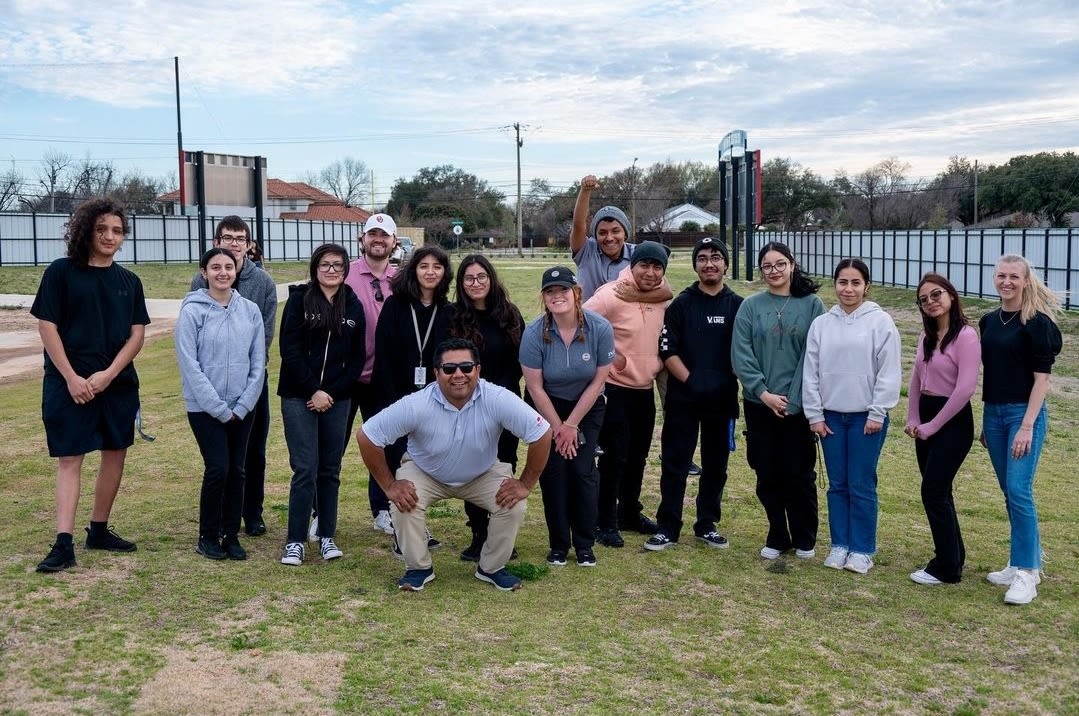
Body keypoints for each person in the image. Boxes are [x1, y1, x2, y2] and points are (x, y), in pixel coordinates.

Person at [357, 337, 552, 592]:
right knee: (403, 501)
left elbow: (541, 433)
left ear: (478, 370)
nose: (458, 374)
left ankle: (491, 568)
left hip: (482, 473)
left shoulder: (497, 397)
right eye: (449, 369)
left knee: (514, 504)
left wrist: (525, 484)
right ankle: (418, 568)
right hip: (426, 472)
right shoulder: (417, 404)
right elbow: (367, 436)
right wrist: (390, 486)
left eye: (466, 367)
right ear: (436, 373)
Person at [32, 198, 150, 573]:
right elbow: (47, 326)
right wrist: (71, 377)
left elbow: (136, 335)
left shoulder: (129, 281)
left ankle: (98, 529)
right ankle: (63, 542)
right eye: (102, 229)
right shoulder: (61, 272)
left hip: (115, 384)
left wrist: (108, 375)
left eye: (116, 230)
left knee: (116, 452)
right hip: (70, 384)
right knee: (71, 458)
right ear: (86, 230)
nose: (109, 236)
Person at [803, 258, 901, 575]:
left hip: (865, 418)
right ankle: (839, 544)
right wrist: (815, 414)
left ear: (866, 286)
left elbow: (888, 371)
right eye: (843, 282)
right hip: (831, 417)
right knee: (837, 484)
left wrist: (878, 410)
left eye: (855, 283)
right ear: (835, 285)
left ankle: (861, 549)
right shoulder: (822, 324)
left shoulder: (880, 322)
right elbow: (811, 372)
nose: (848, 289)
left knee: (861, 484)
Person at [646, 237, 743, 551]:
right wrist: (692, 381)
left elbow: (745, 354)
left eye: (716, 257)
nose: (709, 264)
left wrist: (718, 385)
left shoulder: (738, 306)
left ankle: (706, 523)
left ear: (726, 264)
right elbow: (667, 350)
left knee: (716, 465)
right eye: (702, 258)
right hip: (683, 399)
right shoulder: (682, 304)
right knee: (675, 463)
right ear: (696, 265)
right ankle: (668, 526)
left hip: (722, 400)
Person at [732, 242, 824, 561]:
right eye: (767, 266)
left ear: (792, 265)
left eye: (780, 264)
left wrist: (794, 400)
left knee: (799, 474)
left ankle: (804, 537)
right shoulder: (750, 306)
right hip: (760, 405)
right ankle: (777, 533)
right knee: (766, 472)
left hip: (799, 406)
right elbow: (741, 355)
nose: (774, 271)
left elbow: (813, 358)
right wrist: (764, 393)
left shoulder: (812, 305)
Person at [979, 254, 1062, 605]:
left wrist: (1027, 425)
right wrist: (986, 422)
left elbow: (1042, 380)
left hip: (1022, 416)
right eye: (1001, 276)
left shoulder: (1037, 323)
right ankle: (1022, 561)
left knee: (1019, 489)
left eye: (1014, 276)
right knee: (1008, 490)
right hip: (993, 414)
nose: (1007, 282)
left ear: (1026, 280)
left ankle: (1027, 574)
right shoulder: (988, 321)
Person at [520, 266, 614, 567]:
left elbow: (599, 381)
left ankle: (585, 544)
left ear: (577, 293)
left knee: (582, 471)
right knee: (554, 472)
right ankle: (559, 544)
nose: (557, 295)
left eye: (563, 289)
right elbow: (534, 387)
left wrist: (572, 425)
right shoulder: (535, 332)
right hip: (547, 406)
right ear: (543, 297)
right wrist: (558, 428)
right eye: (550, 291)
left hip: (586, 406)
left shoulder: (599, 328)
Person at [278, 244, 365, 566]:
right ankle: (295, 541)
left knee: (330, 470)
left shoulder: (352, 304)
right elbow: (290, 351)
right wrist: (313, 390)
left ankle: (326, 535)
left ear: (345, 269)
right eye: (325, 265)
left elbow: (357, 359)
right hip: (299, 396)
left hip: (337, 399)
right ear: (315, 268)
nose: (331, 270)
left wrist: (331, 392)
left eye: (338, 265)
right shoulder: (299, 300)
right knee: (305, 469)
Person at [176, 248, 266, 561]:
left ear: (236, 271)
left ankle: (231, 534)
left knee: (238, 470)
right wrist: (217, 407)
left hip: (242, 407)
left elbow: (258, 362)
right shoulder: (192, 311)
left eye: (229, 266)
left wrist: (242, 405)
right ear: (204, 272)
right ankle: (208, 536)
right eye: (216, 267)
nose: (223, 272)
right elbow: (190, 364)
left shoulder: (250, 310)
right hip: (205, 408)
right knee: (218, 468)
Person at [190, 216, 277, 538]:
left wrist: (249, 381)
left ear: (249, 245)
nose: (234, 244)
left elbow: (264, 337)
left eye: (240, 238)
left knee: (253, 451)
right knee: (220, 458)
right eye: (227, 238)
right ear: (217, 242)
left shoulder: (263, 284)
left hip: (252, 383)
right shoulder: (200, 282)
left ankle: (251, 512)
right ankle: (222, 515)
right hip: (212, 385)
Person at [583, 240, 673, 547]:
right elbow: (580, 322)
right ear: (632, 265)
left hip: (644, 390)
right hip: (615, 389)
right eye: (644, 265)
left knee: (638, 456)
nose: (650, 272)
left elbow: (666, 292)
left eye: (657, 267)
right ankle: (604, 520)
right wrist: (608, 359)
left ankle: (629, 512)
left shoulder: (662, 295)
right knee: (614, 458)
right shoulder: (611, 294)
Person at [371, 245, 455, 552]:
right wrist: (396, 404)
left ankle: (415, 526)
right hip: (396, 399)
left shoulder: (448, 311)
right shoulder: (395, 306)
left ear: (445, 273)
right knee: (398, 465)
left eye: (437, 266)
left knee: (420, 466)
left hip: (433, 402)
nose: (430, 272)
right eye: (424, 266)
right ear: (413, 270)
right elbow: (383, 357)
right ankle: (400, 533)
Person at [905, 273, 981, 586]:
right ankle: (955, 556)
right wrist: (912, 418)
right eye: (924, 300)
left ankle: (946, 568)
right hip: (925, 416)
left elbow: (965, 389)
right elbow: (915, 380)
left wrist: (933, 426)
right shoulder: (928, 337)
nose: (931, 303)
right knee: (940, 491)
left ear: (950, 295)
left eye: (936, 295)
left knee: (933, 491)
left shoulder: (966, 336)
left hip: (952, 421)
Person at [450, 255, 526, 562]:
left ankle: (501, 532)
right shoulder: (454, 317)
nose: (476, 283)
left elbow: (524, 359)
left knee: (503, 464)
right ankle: (479, 532)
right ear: (461, 284)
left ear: (491, 279)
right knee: (473, 465)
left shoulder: (509, 314)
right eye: (469, 278)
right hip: (468, 403)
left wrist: (504, 394)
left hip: (505, 400)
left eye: (481, 277)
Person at [342, 213, 399, 538]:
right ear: (363, 240)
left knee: (384, 446)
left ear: (393, 242)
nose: (378, 240)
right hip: (347, 377)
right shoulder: (345, 273)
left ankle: (382, 508)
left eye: (384, 235)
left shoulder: (401, 279)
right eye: (372, 234)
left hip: (384, 378)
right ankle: (320, 513)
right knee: (332, 447)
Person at [570, 174, 636, 301]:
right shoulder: (586, 252)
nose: (609, 238)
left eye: (615, 231)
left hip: (624, 319)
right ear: (595, 236)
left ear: (625, 234)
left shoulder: (637, 255)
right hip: (588, 319)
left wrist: (637, 295)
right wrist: (585, 190)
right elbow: (578, 225)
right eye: (602, 232)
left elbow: (665, 291)